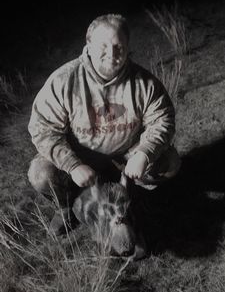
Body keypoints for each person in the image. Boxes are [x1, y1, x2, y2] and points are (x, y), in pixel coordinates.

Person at [28, 14, 181, 235]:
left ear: (128, 47)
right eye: (103, 46)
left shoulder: (144, 82)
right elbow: (42, 129)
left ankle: (132, 198)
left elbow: (163, 118)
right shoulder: (63, 81)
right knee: (41, 174)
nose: (111, 53)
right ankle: (65, 208)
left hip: (125, 155)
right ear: (88, 47)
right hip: (81, 157)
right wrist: (72, 164)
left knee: (169, 162)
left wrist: (144, 153)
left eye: (119, 46)